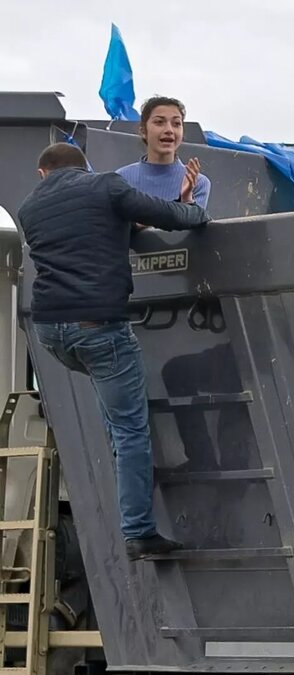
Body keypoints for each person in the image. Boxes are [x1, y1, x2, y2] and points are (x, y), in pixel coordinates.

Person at [17, 143, 210, 561]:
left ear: (42, 173)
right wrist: (193, 207)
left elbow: (85, 236)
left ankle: (128, 469)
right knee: (130, 427)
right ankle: (140, 530)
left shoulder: (29, 208)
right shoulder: (107, 186)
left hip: (51, 331)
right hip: (98, 326)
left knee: (115, 415)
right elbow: (171, 217)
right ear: (84, 168)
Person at [117, 96, 211, 207]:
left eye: (176, 124)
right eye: (159, 122)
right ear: (143, 131)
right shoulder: (121, 179)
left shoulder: (198, 183)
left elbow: (194, 223)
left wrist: (187, 201)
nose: (169, 130)